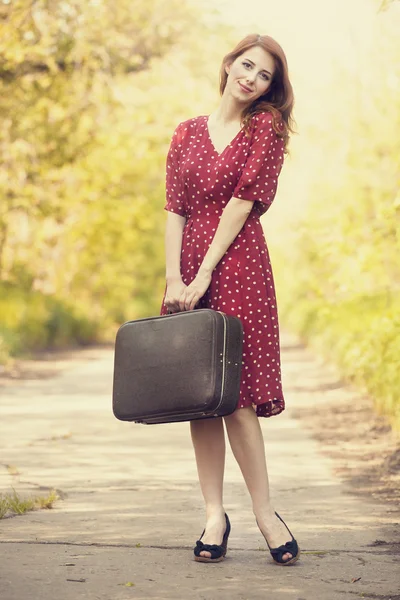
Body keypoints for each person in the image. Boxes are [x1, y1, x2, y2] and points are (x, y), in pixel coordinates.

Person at [160, 33, 299, 566]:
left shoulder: (265, 126)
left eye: (265, 75)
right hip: (188, 265)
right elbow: (175, 208)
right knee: (202, 396)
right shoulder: (186, 132)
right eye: (247, 66)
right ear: (228, 64)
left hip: (237, 263)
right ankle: (214, 515)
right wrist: (175, 277)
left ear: (271, 87)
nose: (253, 79)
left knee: (238, 400)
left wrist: (205, 271)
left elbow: (242, 202)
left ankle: (266, 515)